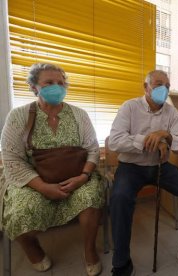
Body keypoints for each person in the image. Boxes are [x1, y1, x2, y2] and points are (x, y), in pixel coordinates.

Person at [0, 63, 104, 275]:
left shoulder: (79, 115)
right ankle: (32, 248)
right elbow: (12, 159)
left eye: (61, 83)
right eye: (49, 83)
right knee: (19, 211)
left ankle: (89, 249)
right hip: (32, 179)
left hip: (77, 175)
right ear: (34, 87)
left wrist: (84, 176)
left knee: (92, 197)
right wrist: (43, 187)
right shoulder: (18, 116)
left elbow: (92, 149)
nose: (57, 87)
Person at [108, 70, 178, 276]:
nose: (164, 89)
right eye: (159, 84)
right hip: (130, 167)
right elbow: (116, 141)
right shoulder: (130, 107)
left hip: (159, 166)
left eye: (168, 86)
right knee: (119, 198)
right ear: (146, 87)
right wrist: (148, 140)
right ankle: (121, 262)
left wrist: (166, 136)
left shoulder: (172, 112)